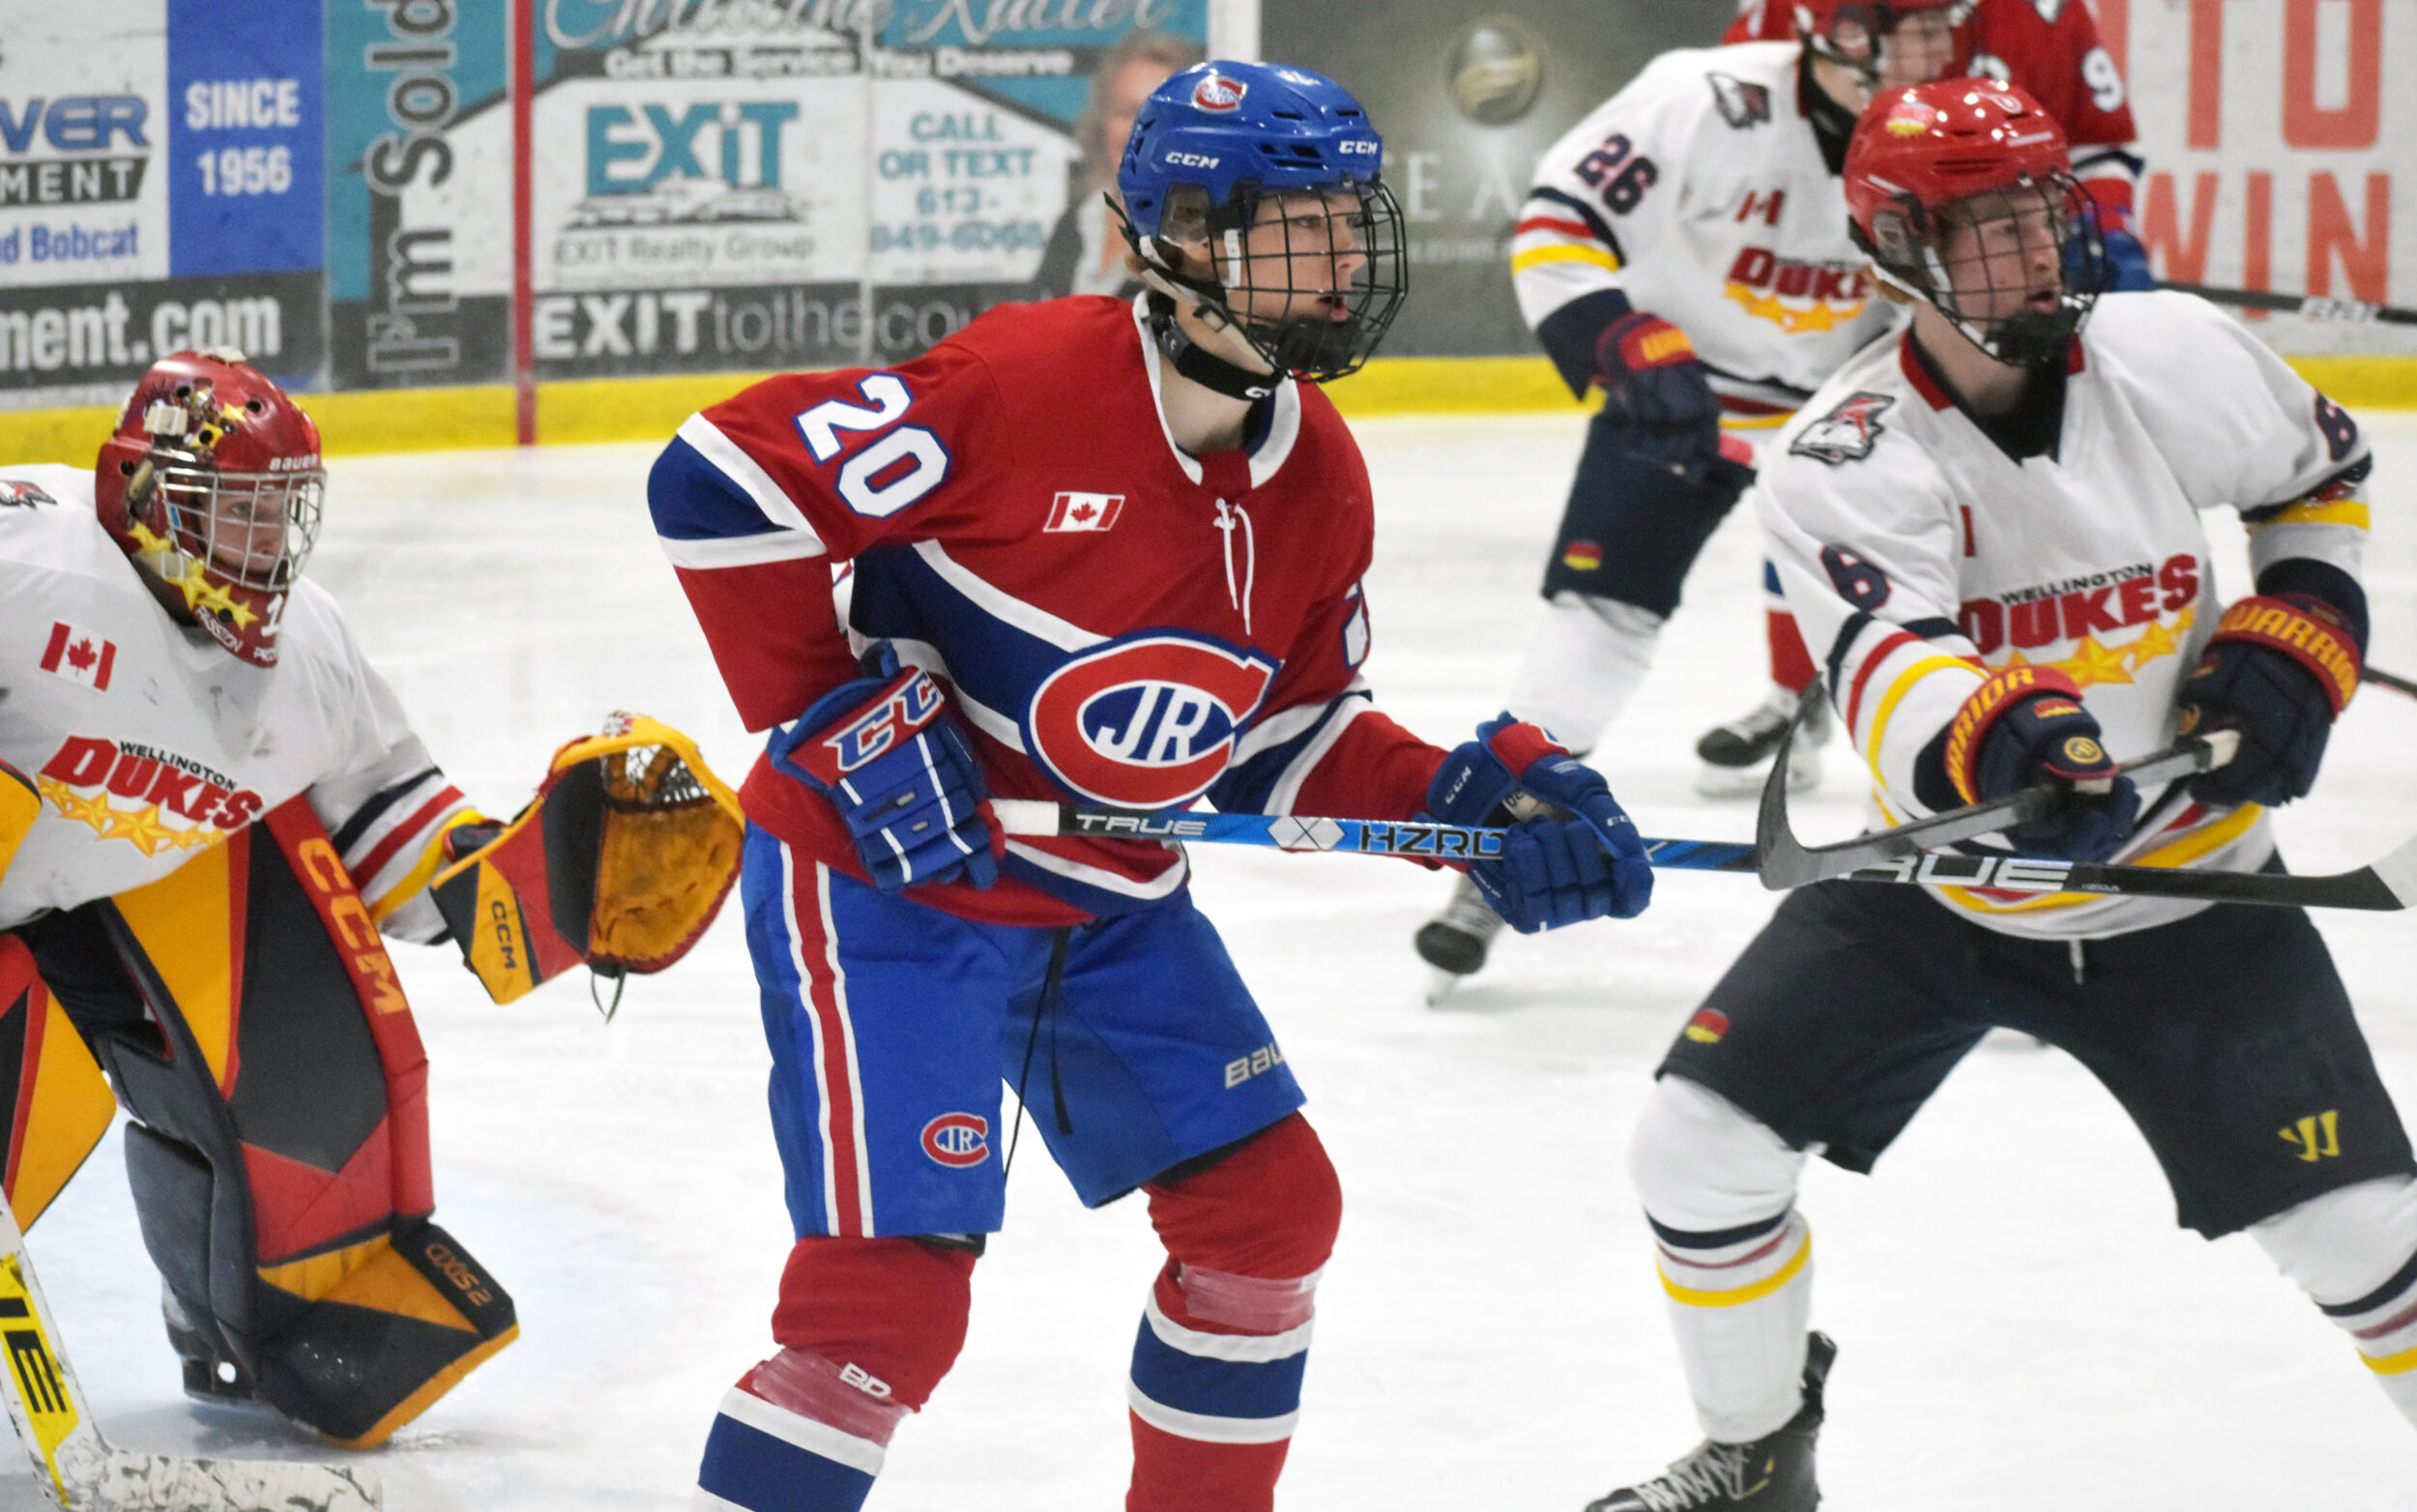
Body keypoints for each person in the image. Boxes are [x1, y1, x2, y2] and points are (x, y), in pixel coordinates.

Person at [647, 60, 1655, 1512]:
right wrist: (831, 711)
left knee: (1267, 1216)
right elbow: (716, 482)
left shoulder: (1324, 480)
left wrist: (1471, 809)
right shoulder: (1025, 384)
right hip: (890, 890)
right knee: (887, 1310)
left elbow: (1283, 738)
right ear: (1177, 239)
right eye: (1292, 227)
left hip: (1103, 904)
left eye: (1344, 222)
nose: (1340, 261)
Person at [1587, 81, 2413, 1511]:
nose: (2038, 249)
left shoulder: (2171, 352)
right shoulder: (1844, 457)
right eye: (1990, 226)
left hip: (2193, 895)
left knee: (2363, 1237)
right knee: (1698, 1143)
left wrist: (2301, 623)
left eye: (2046, 209)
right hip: (1947, 896)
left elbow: (2322, 472)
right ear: (1898, 246)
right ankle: (1759, 1450)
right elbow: (1889, 655)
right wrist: (2006, 746)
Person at [0, 350, 735, 1449]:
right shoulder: (28, 564)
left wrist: (554, 878)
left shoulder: (311, 654)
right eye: (233, 515)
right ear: (142, 496)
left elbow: (388, 831)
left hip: (121, 877)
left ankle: (263, 1313)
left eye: (280, 517)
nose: (266, 550)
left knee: (312, 1048)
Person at [1412, 0, 2153, 987]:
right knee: (1590, 628)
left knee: (1949, 636)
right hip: (1686, 394)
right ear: (1834, 33)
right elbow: (1560, 213)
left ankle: (2005, 884)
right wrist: (1617, 337)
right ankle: (1505, 840)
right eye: (1904, 28)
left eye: (1942, 25)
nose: (1931, 49)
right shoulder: (1701, 96)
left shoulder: (1969, 126)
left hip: (1859, 413)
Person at [1032, 29, 1205, 301]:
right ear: (1101, 122)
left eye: (1157, 115)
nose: (1139, 130)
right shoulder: (1076, 222)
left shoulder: (1203, 243)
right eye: (1125, 112)